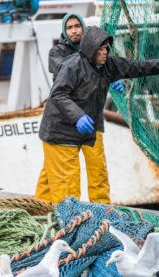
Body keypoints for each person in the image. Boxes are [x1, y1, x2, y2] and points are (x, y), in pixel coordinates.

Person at [35, 26, 159, 204]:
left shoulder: (108, 65)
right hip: (60, 131)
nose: (104, 53)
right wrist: (77, 116)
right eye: (100, 49)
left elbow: (137, 67)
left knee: (98, 174)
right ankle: (64, 221)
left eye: (106, 49)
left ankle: (100, 214)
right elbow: (57, 95)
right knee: (66, 184)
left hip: (87, 130)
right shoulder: (72, 66)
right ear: (90, 49)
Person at [36, 14, 124, 204]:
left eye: (77, 26)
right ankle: (41, 208)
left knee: (98, 168)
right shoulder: (56, 53)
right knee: (52, 170)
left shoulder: (98, 51)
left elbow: (106, 68)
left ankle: (101, 209)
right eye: (69, 28)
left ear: (83, 28)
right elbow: (68, 70)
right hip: (65, 122)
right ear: (64, 31)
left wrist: (113, 76)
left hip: (91, 120)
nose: (74, 30)